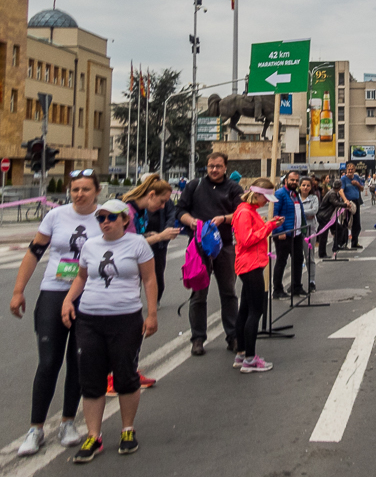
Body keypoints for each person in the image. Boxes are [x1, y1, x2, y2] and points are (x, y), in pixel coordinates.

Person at [10, 169, 102, 457]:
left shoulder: (107, 217)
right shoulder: (56, 216)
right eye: (75, 189)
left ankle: (67, 422)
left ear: (96, 192)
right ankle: (35, 428)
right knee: (48, 361)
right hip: (54, 291)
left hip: (88, 295)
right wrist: (18, 290)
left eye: (85, 189)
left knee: (78, 360)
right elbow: (35, 251)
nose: (79, 194)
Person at [61, 199, 157, 462]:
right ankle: (94, 435)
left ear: (124, 219)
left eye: (111, 217)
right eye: (101, 218)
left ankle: (127, 429)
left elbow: (149, 278)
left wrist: (151, 314)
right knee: (91, 379)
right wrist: (68, 300)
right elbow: (81, 277)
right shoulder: (91, 245)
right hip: (90, 319)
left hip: (125, 318)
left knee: (125, 376)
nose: (105, 222)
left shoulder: (137, 244)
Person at [176, 152, 243, 356]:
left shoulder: (233, 188)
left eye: (219, 166)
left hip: (224, 246)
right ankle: (197, 338)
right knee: (198, 295)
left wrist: (224, 218)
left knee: (229, 293)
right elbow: (180, 211)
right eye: (211, 166)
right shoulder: (194, 186)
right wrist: (191, 221)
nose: (214, 170)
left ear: (225, 168)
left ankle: (233, 336)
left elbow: (241, 213)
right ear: (206, 166)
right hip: (197, 248)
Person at [231, 178, 284, 373]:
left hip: (251, 263)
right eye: (266, 198)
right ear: (258, 194)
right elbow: (246, 240)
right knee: (255, 311)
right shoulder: (245, 212)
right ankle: (250, 358)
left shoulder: (248, 210)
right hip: (250, 264)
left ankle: (242, 353)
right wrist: (269, 227)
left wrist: (269, 225)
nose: (268, 202)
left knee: (245, 310)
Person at [122, 175, 180, 303]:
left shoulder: (141, 211)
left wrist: (148, 236)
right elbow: (128, 245)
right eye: (162, 201)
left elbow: (136, 237)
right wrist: (160, 236)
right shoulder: (128, 212)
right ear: (152, 194)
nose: (163, 207)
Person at [272, 171, 307, 299]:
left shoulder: (295, 194)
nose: (294, 182)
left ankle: (296, 286)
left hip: (296, 233)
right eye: (292, 180)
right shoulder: (280, 194)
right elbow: (275, 213)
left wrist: (302, 229)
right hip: (284, 234)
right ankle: (277, 289)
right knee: (281, 261)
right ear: (286, 180)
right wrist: (280, 231)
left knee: (298, 259)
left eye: (296, 180)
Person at [316, 180, 348, 258]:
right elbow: (335, 203)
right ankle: (322, 253)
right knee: (323, 236)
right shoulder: (332, 193)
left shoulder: (334, 193)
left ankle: (336, 245)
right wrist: (345, 204)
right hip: (324, 217)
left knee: (339, 229)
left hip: (328, 217)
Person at [340, 163, 365, 249]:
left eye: (352, 169)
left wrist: (357, 184)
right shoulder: (343, 179)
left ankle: (355, 242)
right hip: (348, 202)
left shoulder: (357, 178)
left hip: (356, 201)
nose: (350, 171)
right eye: (349, 169)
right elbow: (341, 190)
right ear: (346, 170)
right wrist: (345, 200)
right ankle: (343, 243)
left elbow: (362, 188)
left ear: (354, 170)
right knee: (346, 222)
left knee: (356, 223)